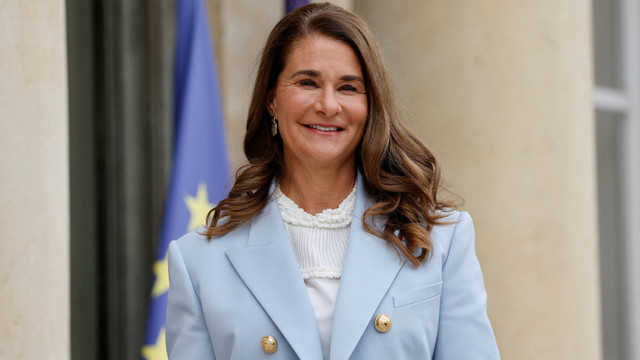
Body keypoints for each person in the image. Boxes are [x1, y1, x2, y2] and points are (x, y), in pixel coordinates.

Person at [166, 2, 500, 359]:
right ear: (271, 101)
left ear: (371, 106)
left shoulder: (441, 241)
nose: (328, 104)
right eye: (307, 82)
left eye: (348, 87)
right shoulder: (199, 262)